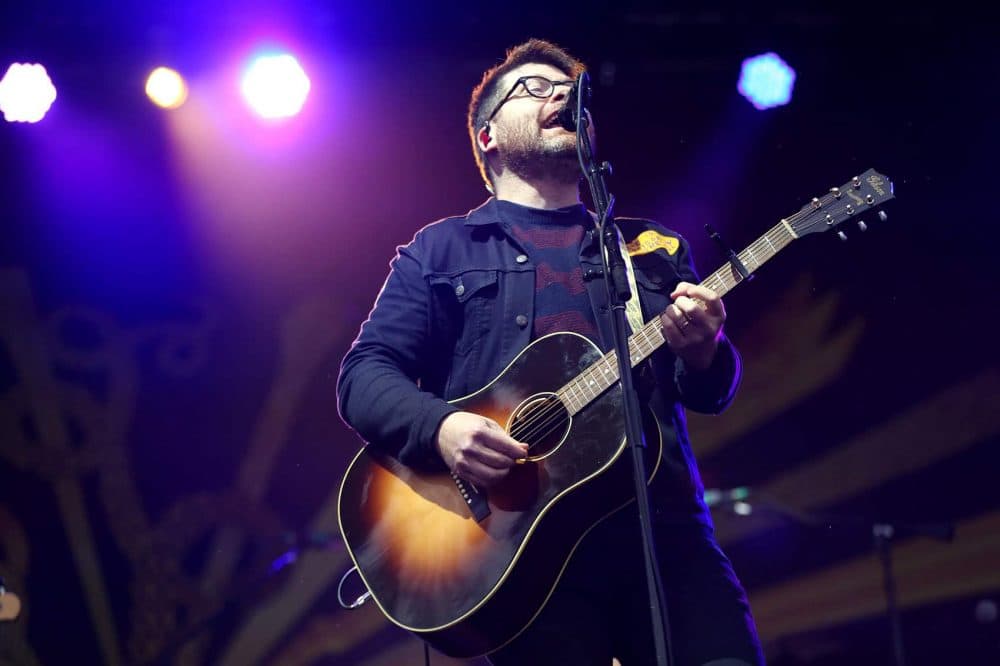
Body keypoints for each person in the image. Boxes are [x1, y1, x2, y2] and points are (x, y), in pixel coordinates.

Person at [337, 38, 764, 666]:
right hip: (523, 548)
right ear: (487, 136)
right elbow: (362, 376)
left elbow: (705, 391)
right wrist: (443, 428)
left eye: (574, 93)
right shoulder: (443, 250)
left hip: (663, 533)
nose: (565, 95)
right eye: (537, 88)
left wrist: (706, 349)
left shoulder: (650, 247)